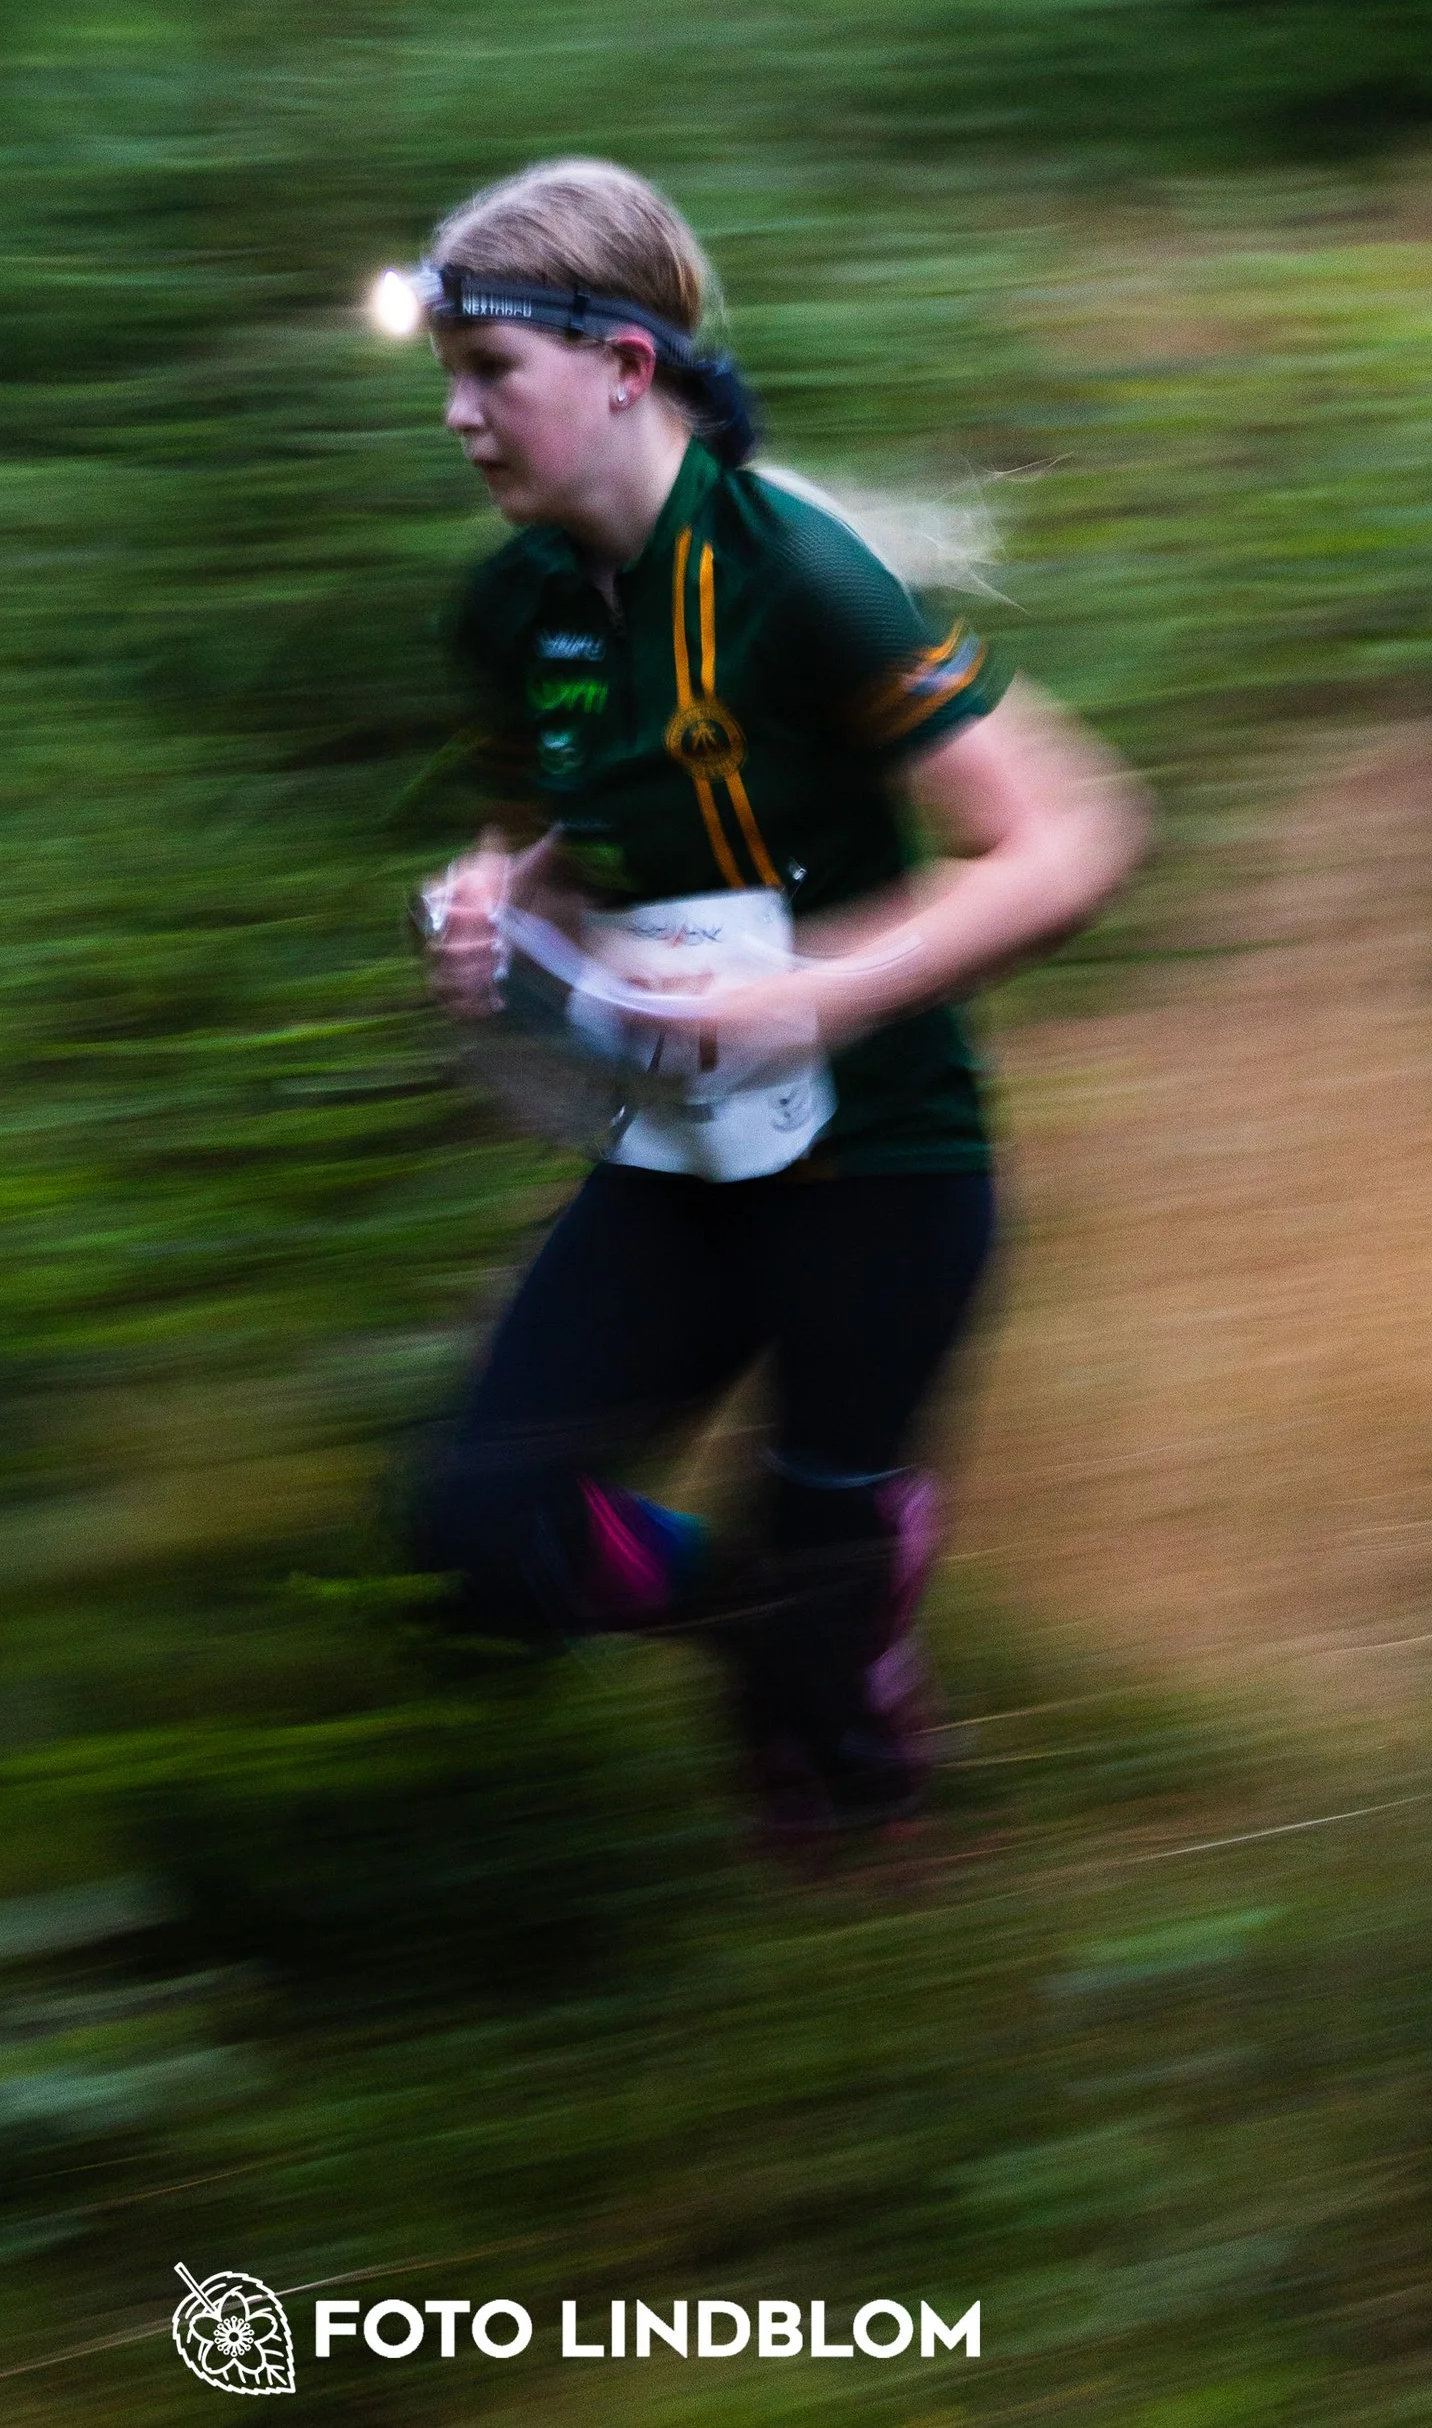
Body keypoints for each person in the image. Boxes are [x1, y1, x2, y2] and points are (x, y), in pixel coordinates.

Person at [392, 158, 1146, 1833]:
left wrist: (814, 989)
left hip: (882, 1170)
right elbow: (553, 830)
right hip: (680, 1164)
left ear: (624, 367)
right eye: (445, 377)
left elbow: (1072, 839)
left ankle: (834, 1670)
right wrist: (493, 903)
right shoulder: (508, 608)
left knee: (829, 1791)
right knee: (478, 1536)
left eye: (488, 374)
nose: (457, 417)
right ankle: (801, 1609)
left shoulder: (797, 575)